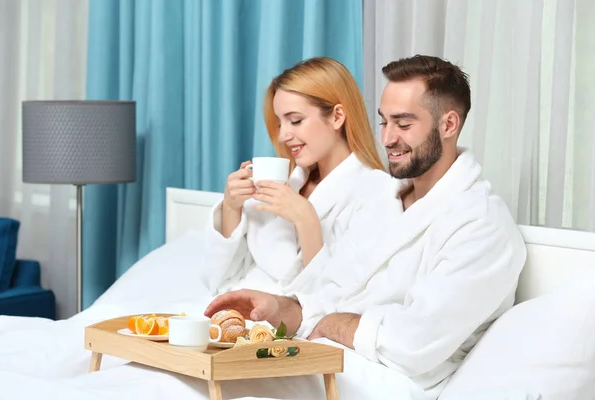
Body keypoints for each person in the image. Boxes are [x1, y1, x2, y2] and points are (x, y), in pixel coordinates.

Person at [205, 55, 528, 399]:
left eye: (403, 124)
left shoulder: (481, 225)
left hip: (385, 380)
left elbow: (413, 343)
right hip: (323, 356)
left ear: (448, 125)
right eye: (384, 123)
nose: (388, 139)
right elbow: (328, 290)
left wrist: (330, 324)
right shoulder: (384, 200)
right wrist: (279, 308)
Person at [202, 57, 397, 295]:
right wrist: (232, 208)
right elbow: (220, 279)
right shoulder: (287, 184)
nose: (283, 135)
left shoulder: (375, 191)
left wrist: (306, 221)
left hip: (290, 324)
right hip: (234, 313)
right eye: (280, 123)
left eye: (295, 120)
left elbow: (340, 296)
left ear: (337, 117)